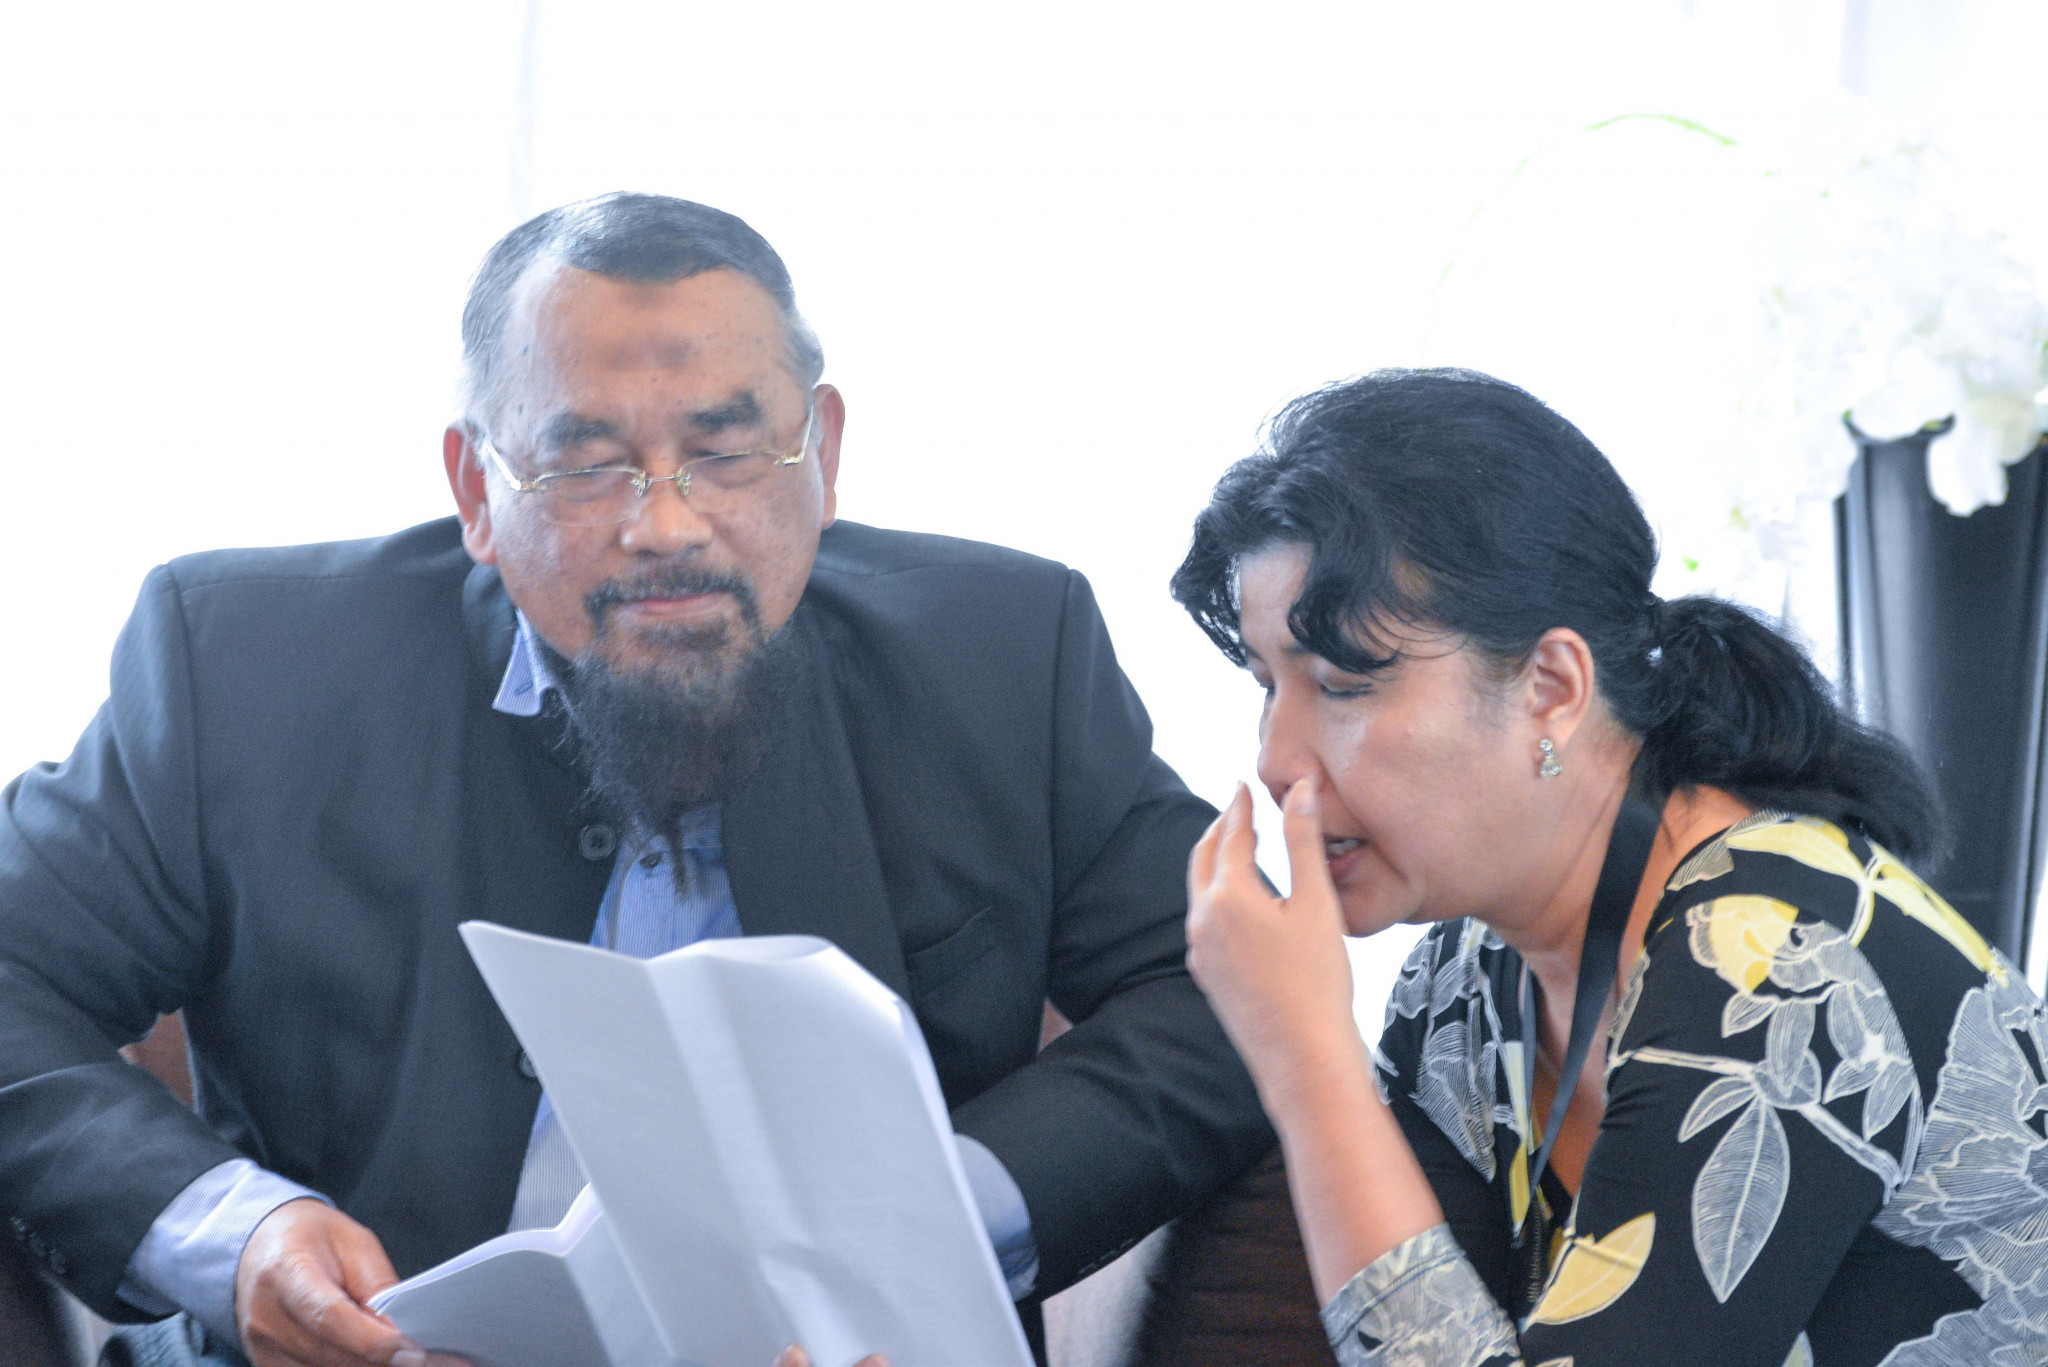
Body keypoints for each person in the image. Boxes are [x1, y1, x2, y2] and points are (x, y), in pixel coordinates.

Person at [0, 193, 1272, 1367]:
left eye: (726, 451)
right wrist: (237, 1233)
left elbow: (1235, 992)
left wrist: (933, 1223)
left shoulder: (1001, 656)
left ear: (821, 450)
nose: (665, 524)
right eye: (588, 463)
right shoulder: (244, 665)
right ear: (477, 488)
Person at [1169, 368, 2048, 1366]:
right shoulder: (1459, 985)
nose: (1276, 759)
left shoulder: (1774, 961)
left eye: (1338, 683)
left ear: (1551, 685)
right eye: (1265, 684)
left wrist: (1309, 1062)